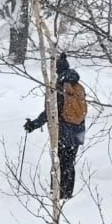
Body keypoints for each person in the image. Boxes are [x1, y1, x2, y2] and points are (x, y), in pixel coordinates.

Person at [24, 57, 87, 200]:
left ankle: (58, 194)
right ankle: (67, 193)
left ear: (56, 70)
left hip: (65, 132)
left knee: (59, 163)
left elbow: (50, 111)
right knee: (69, 163)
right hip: (78, 132)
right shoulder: (78, 86)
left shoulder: (60, 87)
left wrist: (34, 124)